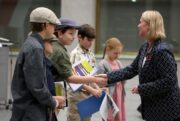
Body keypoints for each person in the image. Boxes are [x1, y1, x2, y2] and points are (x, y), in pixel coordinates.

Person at [101, 10, 180, 121]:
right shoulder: (145, 47)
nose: (138, 25)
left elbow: (169, 81)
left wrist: (141, 88)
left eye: (140, 22)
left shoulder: (162, 51)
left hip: (166, 111)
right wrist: (108, 77)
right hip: (153, 109)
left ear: (149, 26)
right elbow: (132, 69)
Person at [10, 7, 65, 121]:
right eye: (53, 25)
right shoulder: (35, 48)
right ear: (45, 25)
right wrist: (53, 102)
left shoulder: (31, 44)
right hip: (31, 113)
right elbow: (37, 87)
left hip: (28, 110)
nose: (54, 29)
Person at [49, 18, 106, 85]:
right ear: (60, 33)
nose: (73, 37)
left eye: (74, 34)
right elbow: (70, 78)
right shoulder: (61, 51)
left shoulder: (53, 46)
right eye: (71, 34)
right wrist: (95, 80)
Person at [68, 24, 102, 121]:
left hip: (88, 96)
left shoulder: (90, 54)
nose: (91, 43)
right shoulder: (75, 54)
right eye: (88, 40)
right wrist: (93, 90)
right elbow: (73, 80)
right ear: (80, 37)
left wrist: (97, 88)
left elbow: (91, 76)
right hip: (77, 98)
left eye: (92, 41)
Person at [99, 37, 126, 121]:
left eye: (119, 53)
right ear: (108, 50)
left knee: (118, 116)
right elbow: (99, 81)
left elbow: (124, 77)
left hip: (119, 94)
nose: (117, 56)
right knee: (110, 116)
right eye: (115, 53)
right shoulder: (102, 64)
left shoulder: (118, 63)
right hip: (110, 95)